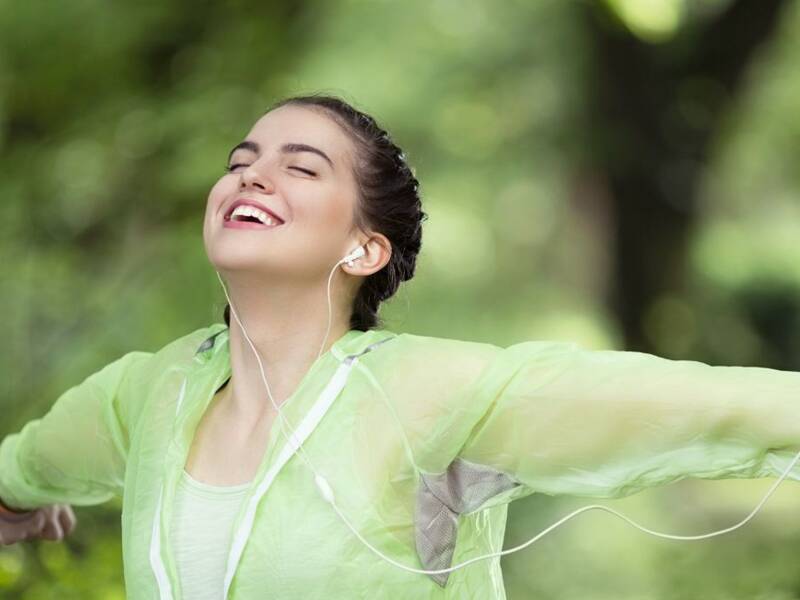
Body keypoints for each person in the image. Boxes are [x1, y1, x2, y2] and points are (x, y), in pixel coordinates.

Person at [2, 93, 800, 600]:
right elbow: (24, 471)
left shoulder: (424, 391)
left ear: (364, 250)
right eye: (240, 163)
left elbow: (691, 405)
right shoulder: (149, 393)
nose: (250, 177)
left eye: (300, 168)